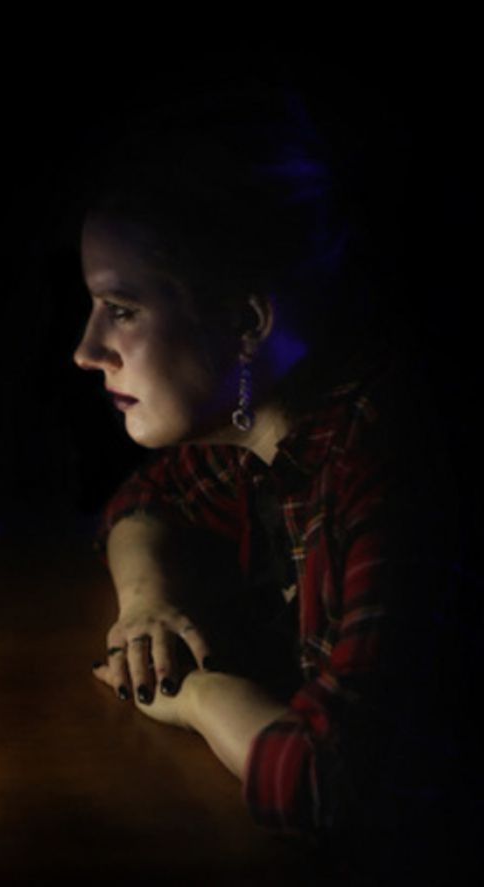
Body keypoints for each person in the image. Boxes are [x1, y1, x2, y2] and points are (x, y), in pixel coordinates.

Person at [72, 87, 475, 852]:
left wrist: (193, 693)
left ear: (249, 320)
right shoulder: (280, 437)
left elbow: (323, 778)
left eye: (120, 309)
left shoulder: (385, 462)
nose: (86, 350)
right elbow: (144, 499)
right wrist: (146, 606)